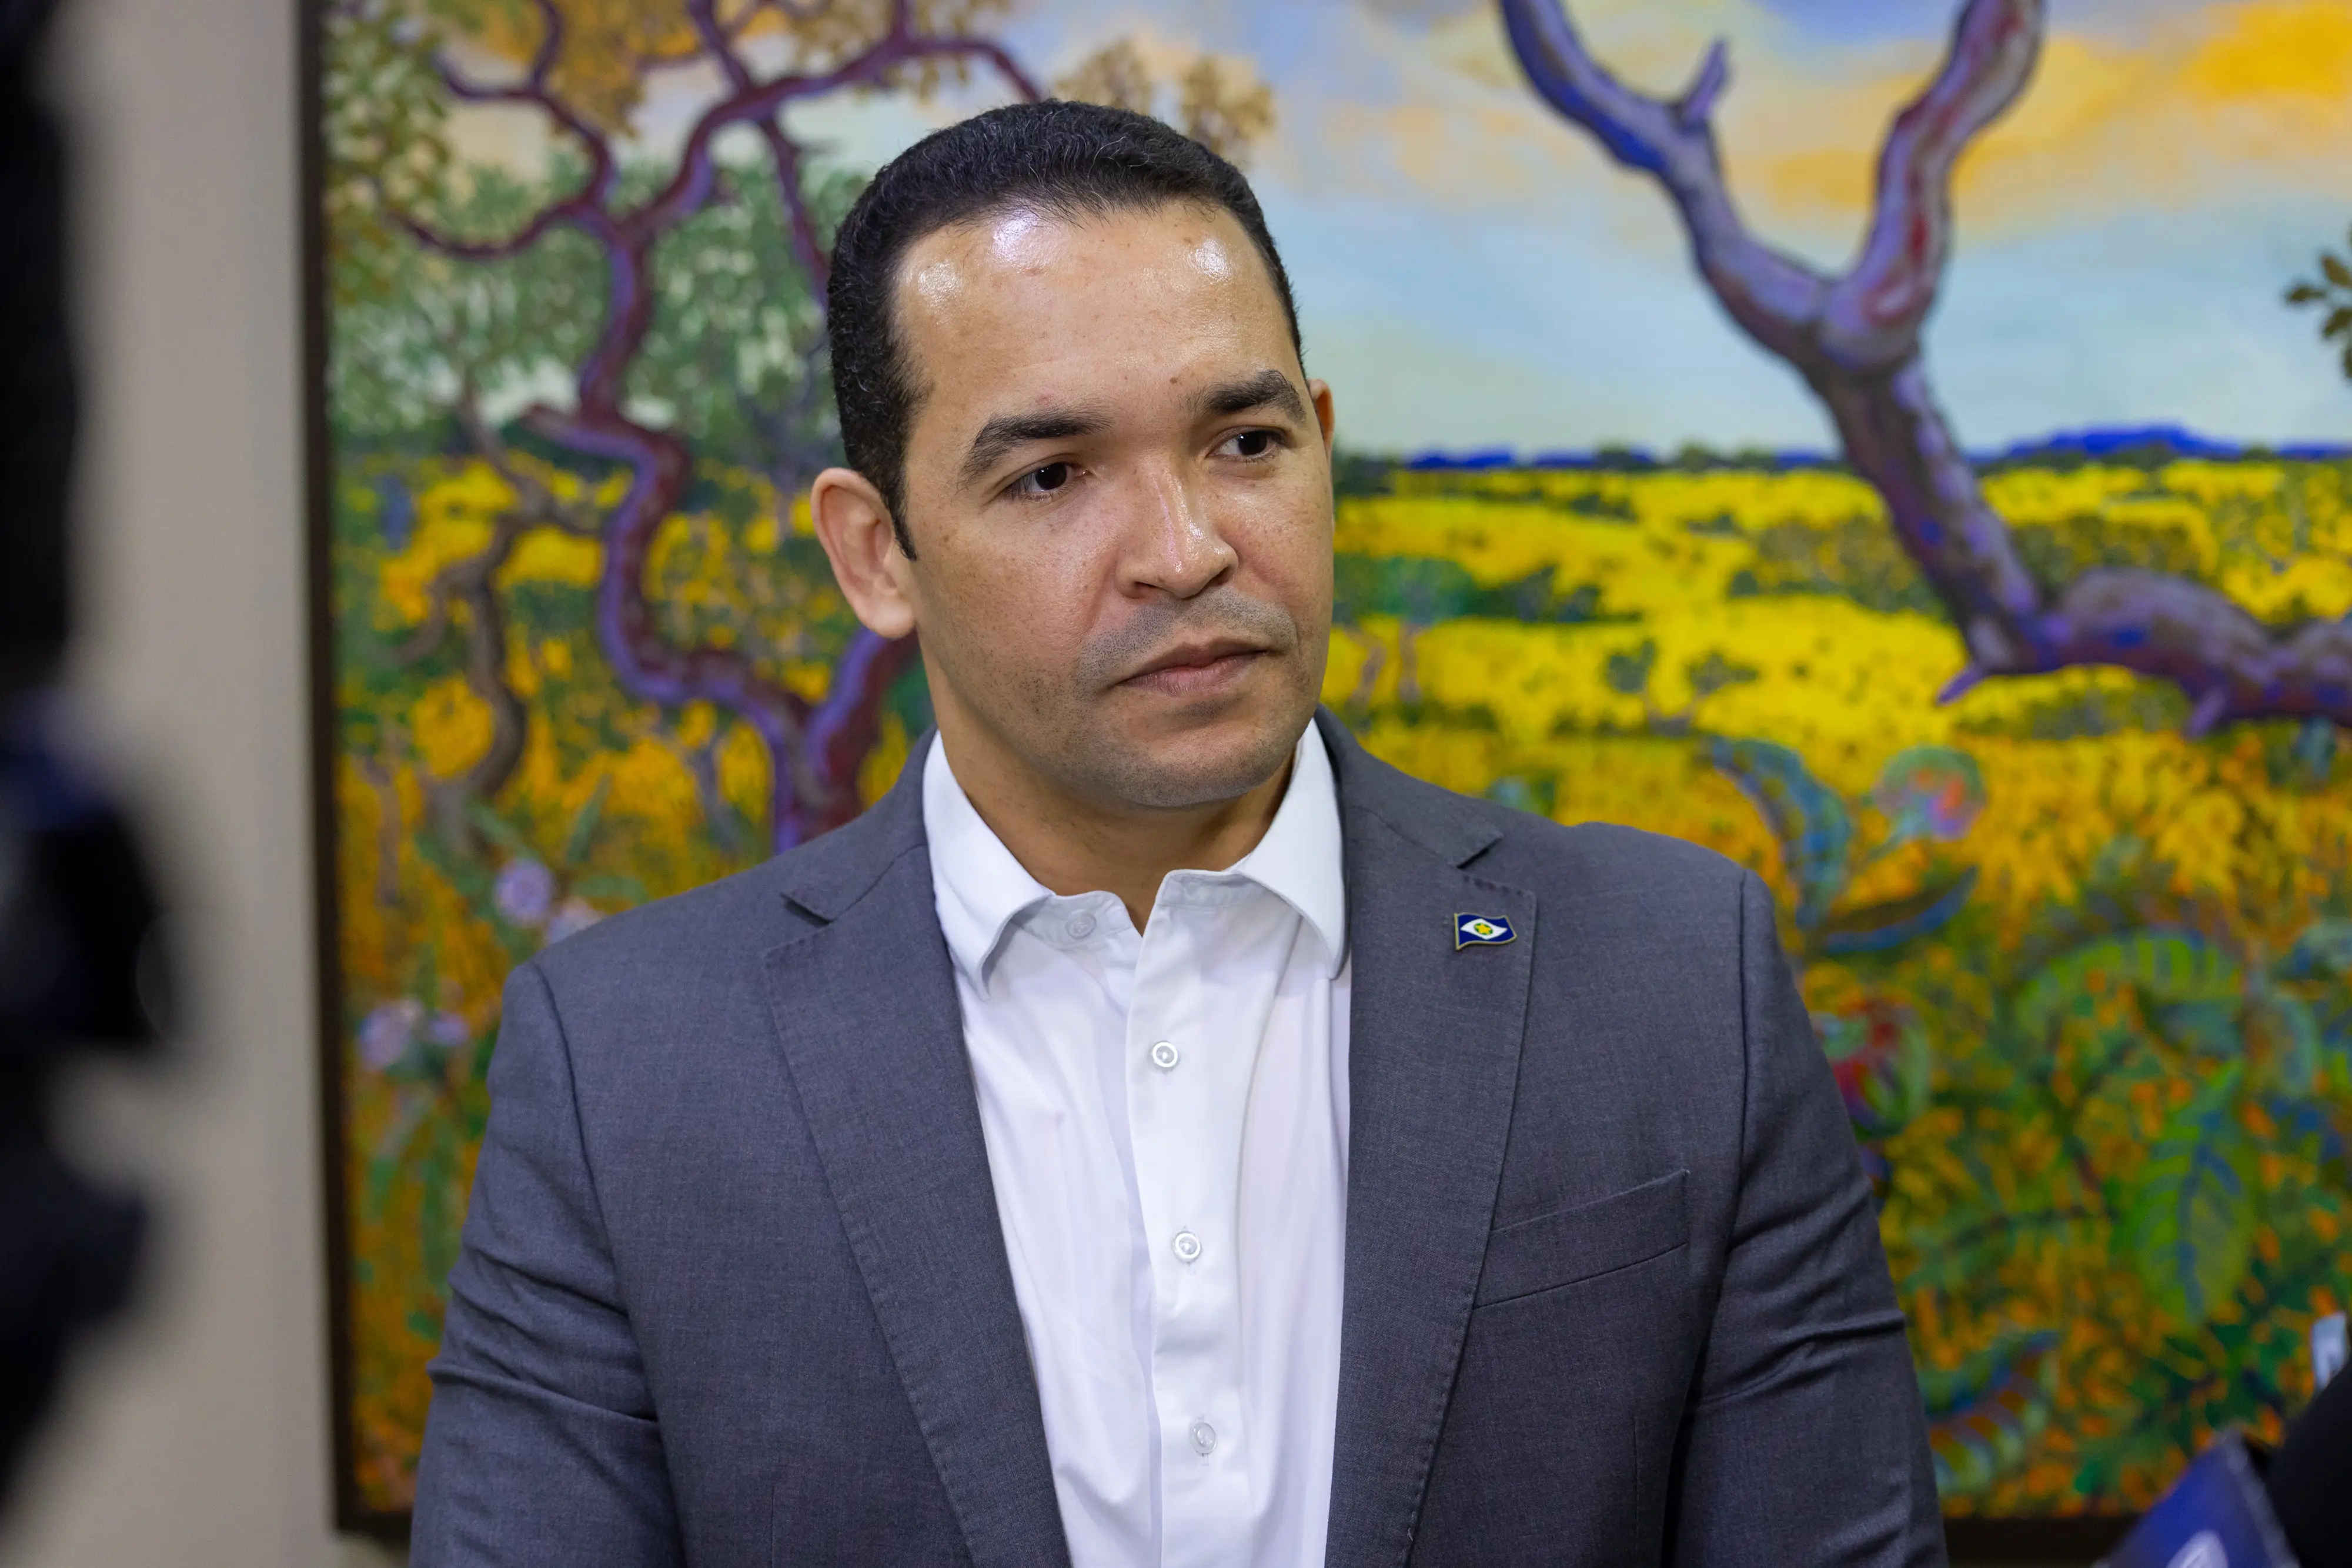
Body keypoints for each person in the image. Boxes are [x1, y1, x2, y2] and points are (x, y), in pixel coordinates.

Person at [412, 101, 1943, 1567]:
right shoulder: (626, 1072)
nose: (1187, 550)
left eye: (1245, 443)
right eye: (1053, 475)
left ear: (1322, 446)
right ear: (877, 554)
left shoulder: (1676, 984)